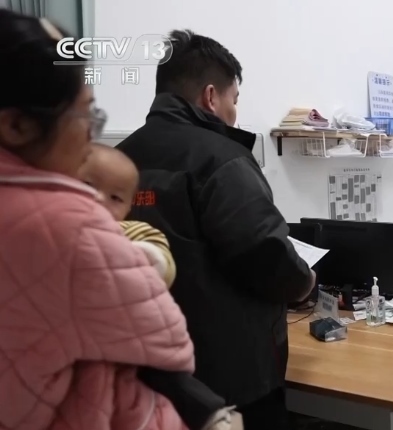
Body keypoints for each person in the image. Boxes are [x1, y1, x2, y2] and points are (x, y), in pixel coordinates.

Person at [0, 10, 193, 430]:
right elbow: (170, 343)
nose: (90, 136)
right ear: (16, 125)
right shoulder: (72, 225)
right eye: (86, 116)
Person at [117, 29, 316, 430]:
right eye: (234, 100)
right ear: (211, 97)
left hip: (144, 372)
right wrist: (304, 282)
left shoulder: (117, 159)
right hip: (230, 380)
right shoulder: (222, 158)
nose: (234, 111)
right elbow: (263, 251)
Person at [79, 143, 244, 430]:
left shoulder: (130, 231)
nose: (99, 200)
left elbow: (162, 264)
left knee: (166, 375)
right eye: (88, 186)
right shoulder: (57, 229)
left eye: (115, 197)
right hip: (88, 335)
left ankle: (210, 414)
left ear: (128, 208)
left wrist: (130, 257)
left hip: (138, 332)